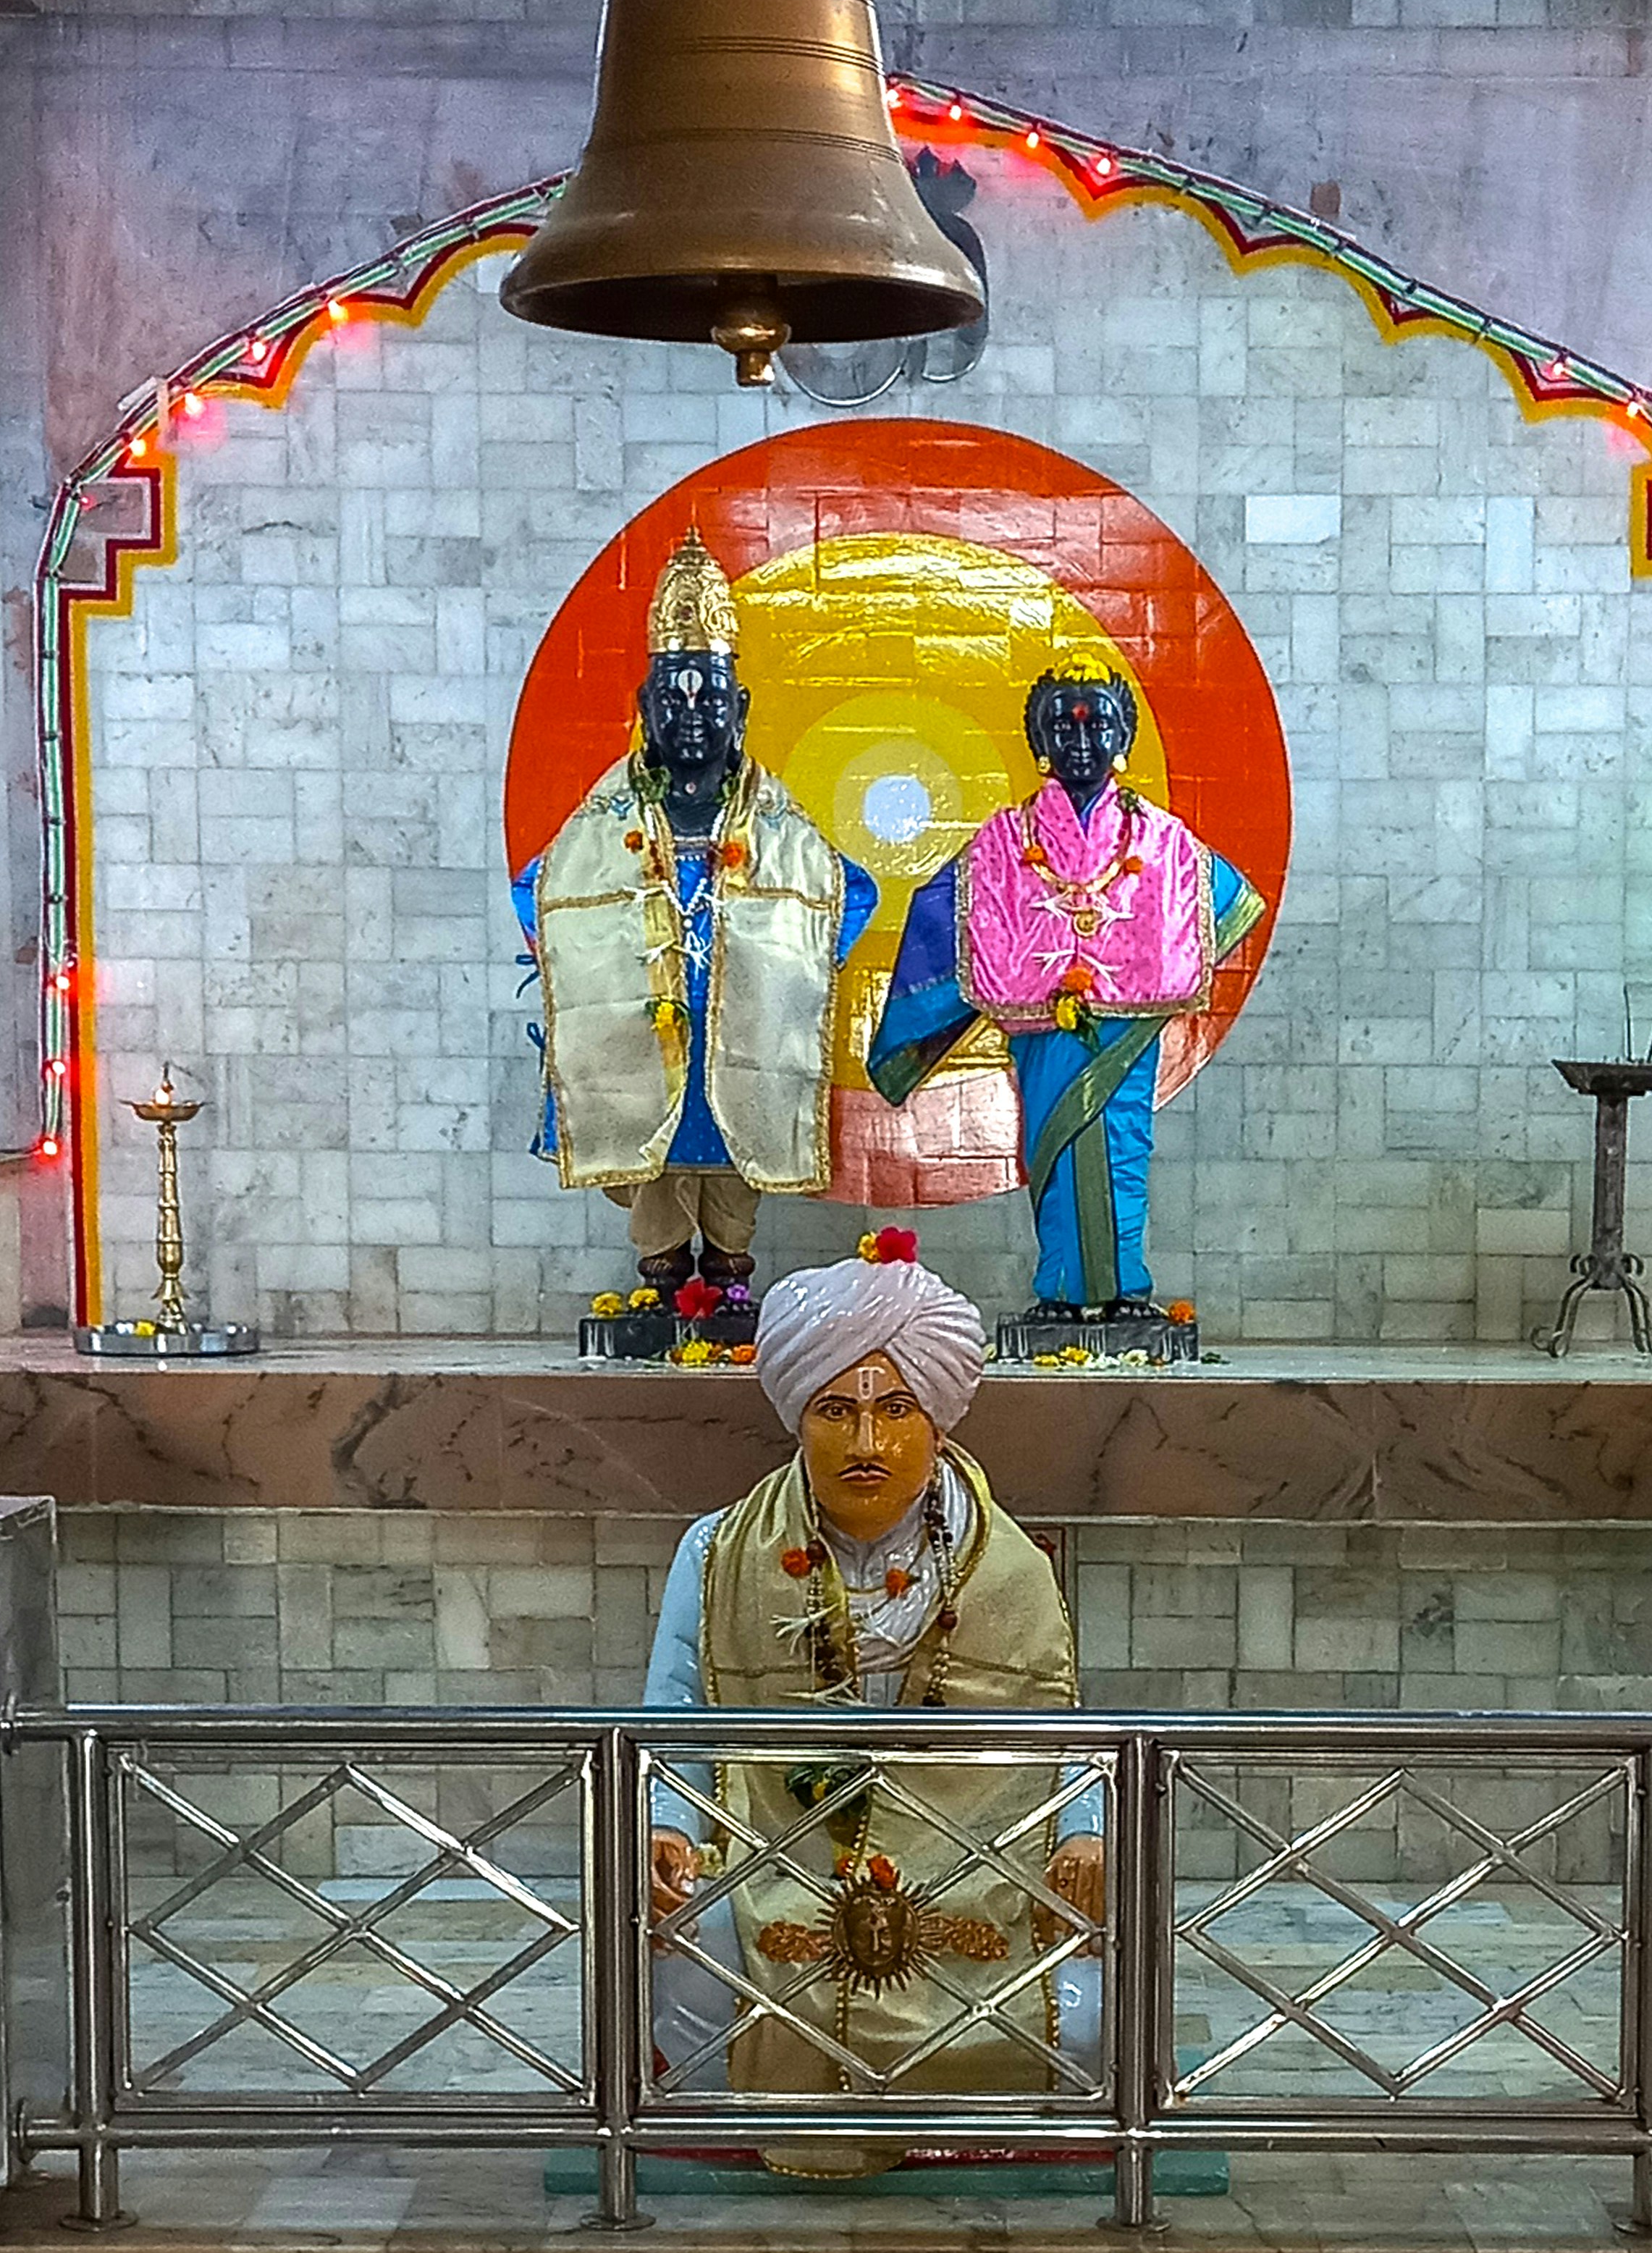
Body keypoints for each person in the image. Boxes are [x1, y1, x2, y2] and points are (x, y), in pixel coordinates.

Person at [643, 1239, 1103, 2157]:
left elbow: (1065, 1739)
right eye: (835, 1410)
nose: (866, 1443)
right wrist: (669, 1827)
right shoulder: (716, 1554)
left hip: (971, 1871)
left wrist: (1087, 1832)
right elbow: (674, 1726)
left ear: (938, 1422)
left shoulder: (1006, 1567)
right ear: (795, 1419)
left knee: (1086, 2019)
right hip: (775, 1857)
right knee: (692, 1977)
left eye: (895, 1409)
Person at [516, 528, 875, 1344]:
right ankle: (660, 1281)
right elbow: (538, 889)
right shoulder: (611, 815)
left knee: (732, 1143)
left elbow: (851, 889)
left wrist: (795, 963)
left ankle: (729, 1279)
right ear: (644, 710)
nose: (691, 717)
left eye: (709, 699)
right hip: (647, 1016)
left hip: (738, 1011)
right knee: (654, 1148)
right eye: (671, 701)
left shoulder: (772, 817)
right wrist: (595, 954)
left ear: (740, 710)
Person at [865, 660, 1262, 1319]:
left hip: (1124, 1032)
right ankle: (1057, 1294)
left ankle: (1125, 1292)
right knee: (1047, 1150)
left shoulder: (1160, 839)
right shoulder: (1003, 840)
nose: (1080, 740)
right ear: (1039, 742)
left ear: (1122, 736)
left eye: (1097, 723)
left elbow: (1223, 898)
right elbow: (944, 912)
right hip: (1042, 1029)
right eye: (1062, 726)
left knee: (1123, 1149)